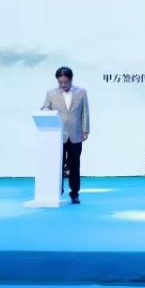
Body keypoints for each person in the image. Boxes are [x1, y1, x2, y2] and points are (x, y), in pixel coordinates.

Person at [42, 66, 89, 204]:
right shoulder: (51, 93)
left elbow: (85, 112)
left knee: (75, 166)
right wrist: (45, 110)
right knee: (58, 165)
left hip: (76, 134)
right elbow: (45, 106)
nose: (63, 85)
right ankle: (57, 191)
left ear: (71, 79)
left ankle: (74, 193)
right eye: (60, 82)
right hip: (57, 135)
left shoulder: (81, 92)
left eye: (65, 82)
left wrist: (85, 130)